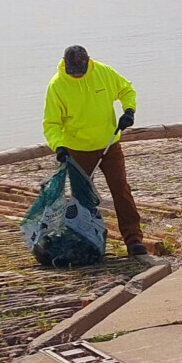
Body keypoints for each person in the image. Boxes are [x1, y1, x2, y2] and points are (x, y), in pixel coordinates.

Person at [43, 45, 147, 256]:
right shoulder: (57, 85)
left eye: (81, 70)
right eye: (73, 71)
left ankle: (134, 239)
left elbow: (126, 89)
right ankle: (87, 240)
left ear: (88, 61)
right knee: (82, 199)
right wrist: (59, 146)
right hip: (77, 150)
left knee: (121, 191)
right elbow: (51, 123)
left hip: (109, 144)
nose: (78, 75)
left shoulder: (104, 72)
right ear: (66, 65)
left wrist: (129, 110)